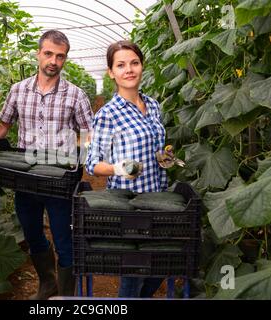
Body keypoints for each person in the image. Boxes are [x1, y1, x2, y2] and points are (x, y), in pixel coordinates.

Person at [0, 30, 93, 299]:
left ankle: (65, 296)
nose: (53, 61)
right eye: (48, 54)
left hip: (59, 178)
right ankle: (47, 284)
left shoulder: (76, 95)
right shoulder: (18, 90)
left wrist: (79, 157)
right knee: (32, 233)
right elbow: (4, 124)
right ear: (38, 54)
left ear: (64, 59)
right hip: (25, 176)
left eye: (60, 56)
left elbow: (88, 133)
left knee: (63, 240)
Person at [85, 40, 177, 298]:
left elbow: (155, 147)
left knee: (160, 262)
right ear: (111, 72)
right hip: (130, 205)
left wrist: (165, 157)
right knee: (134, 271)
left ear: (142, 66)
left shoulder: (154, 105)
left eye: (134, 63)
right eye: (121, 65)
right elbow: (92, 163)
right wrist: (119, 168)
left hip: (158, 198)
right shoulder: (107, 114)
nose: (129, 69)